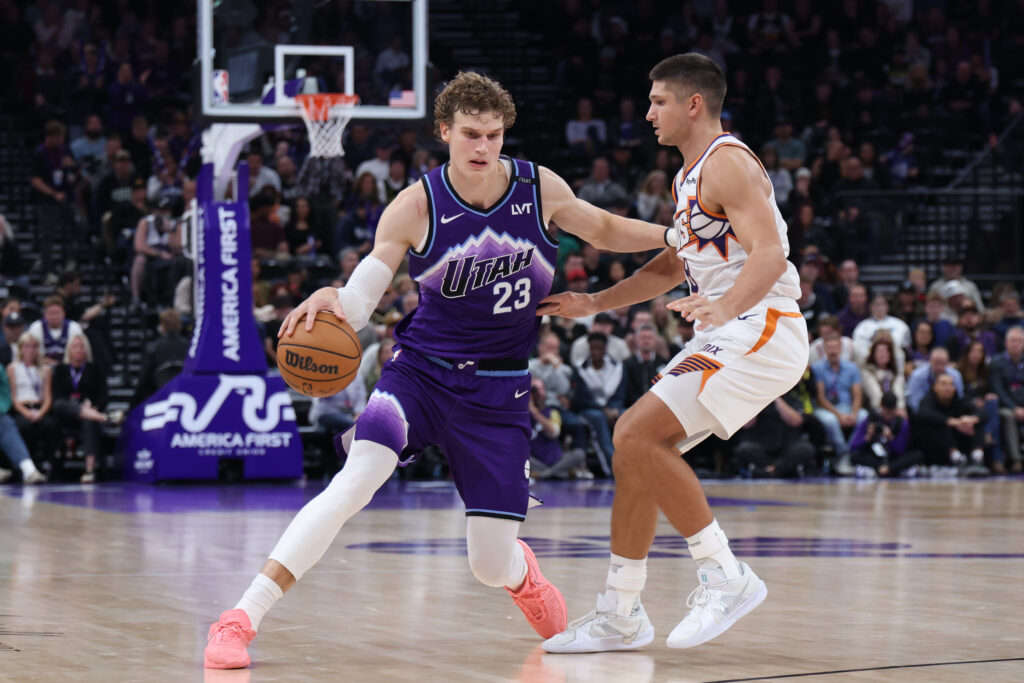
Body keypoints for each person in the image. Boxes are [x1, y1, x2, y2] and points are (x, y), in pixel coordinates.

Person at [203, 70, 671, 669]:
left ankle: (520, 573)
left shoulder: (539, 188)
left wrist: (676, 235)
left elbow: (603, 228)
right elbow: (363, 296)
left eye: (494, 135)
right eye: (472, 134)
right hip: (420, 375)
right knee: (354, 482)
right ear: (445, 131)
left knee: (488, 564)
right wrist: (334, 297)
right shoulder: (416, 204)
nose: (484, 147)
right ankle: (241, 617)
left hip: (499, 390)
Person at [538, 54, 807, 653]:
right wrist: (594, 302)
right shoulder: (689, 178)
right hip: (728, 328)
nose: (649, 112)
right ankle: (621, 614)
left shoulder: (728, 162)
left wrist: (726, 305)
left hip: (762, 323)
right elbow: (670, 266)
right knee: (634, 454)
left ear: (693, 104)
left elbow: (770, 254)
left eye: (658, 101)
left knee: (634, 434)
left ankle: (726, 576)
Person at [51, 334, 113, 483]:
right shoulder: (61, 369)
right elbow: (56, 396)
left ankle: (89, 470)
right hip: (66, 413)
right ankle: (103, 418)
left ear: (86, 349)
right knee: (60, 404)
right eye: (75, 346)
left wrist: (94, 406)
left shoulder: (95, 368)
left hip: (90, 412)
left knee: (89, 421)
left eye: (81, 346)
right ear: (69, 350)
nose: (78, 350)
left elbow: (104, 395)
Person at [9, 333, 57, 473]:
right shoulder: (13, 368)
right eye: (27, 346)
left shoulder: (45, 369)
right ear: (21, 349)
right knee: (23, 426)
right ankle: (25, 464)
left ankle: (47, 461)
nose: (31, 350)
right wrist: (26, 413)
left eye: (34, 347)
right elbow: (13, 397)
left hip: (40, 407)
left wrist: (40, 413)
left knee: (50, 425)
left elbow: (48, 397)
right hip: (22, 407)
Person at [848, 392, 920, 478]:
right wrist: (868, 437)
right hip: (876, 457)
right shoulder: (871, 419)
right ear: (880, 406)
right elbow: (853, 447)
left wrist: (890, 438)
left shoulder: (901, 422)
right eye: (885, 411)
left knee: (917, 455)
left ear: (895, 409)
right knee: (855, 455)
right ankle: (886, 469)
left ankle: (887, 469)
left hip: (893, 458)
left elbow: (901, 451)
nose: (888, 416)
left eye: (890, 412)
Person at [132, 309, 189, 406]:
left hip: (159, 397)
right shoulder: (190, 347)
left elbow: (144, 379)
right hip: (186, 393)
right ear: (179, 325)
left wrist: (132, 406)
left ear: (162, 326)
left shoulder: (153, 347)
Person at [990, 326, 1024, 473]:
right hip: (1005, 406)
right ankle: (1016, 459)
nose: (1015, 344)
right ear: (1006, 343)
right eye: (1012, 341)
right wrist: (1014, 408)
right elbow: (997, 389)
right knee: (1009, 416)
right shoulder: (997, 362)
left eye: (1019, 341)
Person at [28, 295, 85, 366]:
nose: (54, 316)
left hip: (68, 366)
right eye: (51, 313)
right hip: (43, 366)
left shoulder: (74, 327)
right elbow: (33, 354)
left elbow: (79, 353)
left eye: (57, 313)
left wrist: (61, 367)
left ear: (64, 313)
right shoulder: (36, 327)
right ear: (45, 314)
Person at [906, 347, 964, 412]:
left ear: (948, 362)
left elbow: (959, 398)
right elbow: (914, 402)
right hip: (924, 412)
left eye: (943, 363)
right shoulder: (917, 375)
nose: (939, 367)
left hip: (948, 411)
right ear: (930, 361)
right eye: (936, 363)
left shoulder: (955, 375)